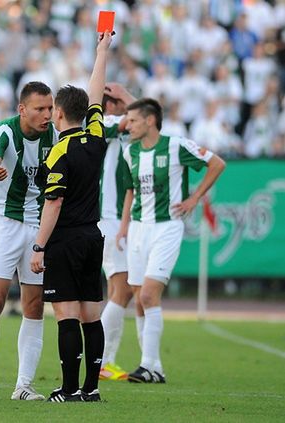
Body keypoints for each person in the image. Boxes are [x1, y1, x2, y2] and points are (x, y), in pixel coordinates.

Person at [29, 30, 112, 402]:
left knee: (65, 315)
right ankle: (91, 389)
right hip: (93, 236)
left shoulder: (58, 152)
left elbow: (54, 203)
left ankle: (67, 387)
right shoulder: (96, 138)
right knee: (92, 315)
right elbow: (96, 93)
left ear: (58, 113)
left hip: (64, 239)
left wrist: (38, 245)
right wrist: (102, 51)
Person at [117, 98, 226, 383]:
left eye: (133, 121)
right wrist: (124, 226)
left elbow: (216, 163)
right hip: (139, 228)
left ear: (150, 121)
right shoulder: (130, 153)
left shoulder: (177, 145)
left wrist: (195, 198)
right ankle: (155, 368)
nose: (128, 126)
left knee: (150, 294)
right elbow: (131, 190)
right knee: (139, 299)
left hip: (167, 227)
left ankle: (147, 364)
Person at [0, 80, 58, 401]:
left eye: (49, 108)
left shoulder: (56, 136)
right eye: (39, 109)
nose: (46, 114)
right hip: (3, 222)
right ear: (22, 110)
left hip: (38, 223)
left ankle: (23, 385)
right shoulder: (4, 131)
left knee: (34, 303)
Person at [97, 83, 137, 382]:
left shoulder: (112, 130)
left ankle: (105, 360)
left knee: (117, 290)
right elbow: (144, 117)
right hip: (107, 220)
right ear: (110, 105)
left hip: (110, 219)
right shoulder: (105, 124)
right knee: (123, 289)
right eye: (120, 103)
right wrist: (126, 95)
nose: (127, 110)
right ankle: (102, 360)